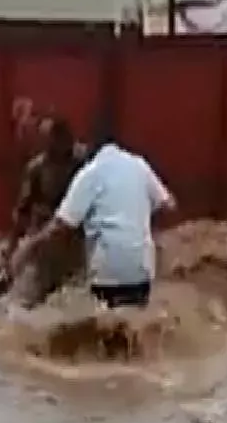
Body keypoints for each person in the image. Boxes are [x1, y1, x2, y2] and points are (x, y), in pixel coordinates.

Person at [11, 126, 175, 310]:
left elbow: (61, 224)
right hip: (141, 268)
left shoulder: (90, 172)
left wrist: (26, 248)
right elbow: (169, 205)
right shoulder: (139, 164)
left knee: (99, 326)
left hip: (105, 268)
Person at [1, 116, 87, 306]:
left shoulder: (85, 163)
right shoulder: (37, 168)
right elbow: (22, 212)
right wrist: (11, 250)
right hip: (45, 239)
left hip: (76, 238)